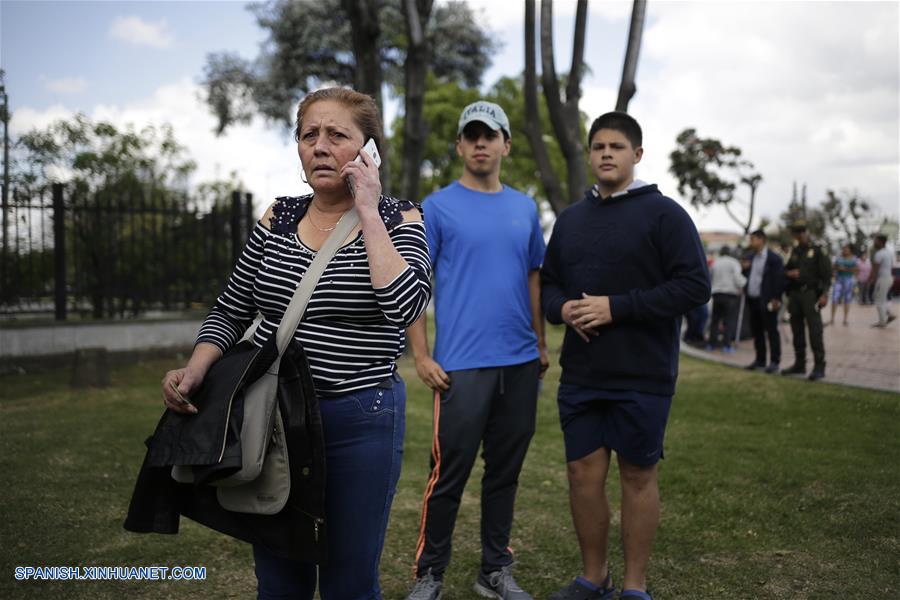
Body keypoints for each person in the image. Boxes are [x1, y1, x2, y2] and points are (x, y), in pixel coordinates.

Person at [160, 87, 432, 600]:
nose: (321, 146)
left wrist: (369, 210)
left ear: (368, 150)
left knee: (349, 581)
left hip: (360, 420)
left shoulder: (401, 218)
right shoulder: (278, 218)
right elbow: (232, 306)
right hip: (275, 420)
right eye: (309, 135)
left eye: (337, 135)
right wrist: (195, 368)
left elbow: (408, 306)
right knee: (280, 577)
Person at [541, 112, 710, 600]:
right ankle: (594, 577)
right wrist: (563, 308)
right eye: (598, 147)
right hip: (583, 375)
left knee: (638, 475)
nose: (607, 154)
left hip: (644, 373)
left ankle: (634, 586)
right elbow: (549, 283)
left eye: (617, 146)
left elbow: (694, 285)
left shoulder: (665, 214)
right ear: (590, 155)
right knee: (582, 475)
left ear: (637, 154)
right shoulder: (571, 220)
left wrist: (616, 307)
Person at [404, 101, 547, 600]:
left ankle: (494, 570)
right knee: (448, 475)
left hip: (521, 363)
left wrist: (542, 344)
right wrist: (421, 355)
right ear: (461, 146)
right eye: (472, 135)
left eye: (492, 135)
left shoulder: (525, 208)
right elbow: (415, 284)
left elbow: (533, 276)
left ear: (506, 144)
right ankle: (429, 573)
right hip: (461, 366)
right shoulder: (437, 207)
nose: (481, 143)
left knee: (504, 474)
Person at [781, 220, 831, 381]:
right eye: (797, 232)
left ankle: (819, 365)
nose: (800, 234)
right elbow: (785, 270)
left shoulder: (817, 251)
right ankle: (800, 364)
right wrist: (790, 274)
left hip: (811, 294)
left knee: (815, 330)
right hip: (795, 294)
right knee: (797, 330)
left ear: (807, 232)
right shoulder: (795, 251)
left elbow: (827, 275)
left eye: (802, 231)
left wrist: (824, 294)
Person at [742, 229, 785, 373]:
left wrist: (776, 298)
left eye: (753, 239)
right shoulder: (751, 257)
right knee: (757, 332)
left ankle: (774, 361)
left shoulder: (774, 259)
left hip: (767, 300)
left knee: (772, 331)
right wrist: (744, 269)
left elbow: (779, 280)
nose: (751, 242)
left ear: (762, 240)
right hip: (752, 299)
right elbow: (747, 276)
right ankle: (760, 360)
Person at [706, 246, 746, 353]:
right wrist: (744, 283)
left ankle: (711, 344)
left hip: (717, 294)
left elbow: (710, 277)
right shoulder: (734, 262)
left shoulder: (715, 262)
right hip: (730, 295)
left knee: (715, 320)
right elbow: (738, 278)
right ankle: (726, 345)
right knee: (728, 321)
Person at [870, 234, 897, 328]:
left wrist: (872, 280)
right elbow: (892, 266)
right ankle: (889, 315)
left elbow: (875, 269)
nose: (874, 242)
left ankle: (882, 322)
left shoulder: (879, 253)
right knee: (880, 298)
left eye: (875, 240)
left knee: (879, 301)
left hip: (883, 279)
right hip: (889, 278)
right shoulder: (889, 252)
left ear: (880, 242)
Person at [828, 244, 858, 326]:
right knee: (834, 298)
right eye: (843, 248)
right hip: (838, 280)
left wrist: (846, 269)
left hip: (848, 280)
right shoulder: (838, 258)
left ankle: (845, 319)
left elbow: (857, 269)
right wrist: (837, 269)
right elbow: (833, 267)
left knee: (847, 299)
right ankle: (832, 318)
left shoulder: (854, 258)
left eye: (846, 249)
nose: (844, 250)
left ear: (850, 250)